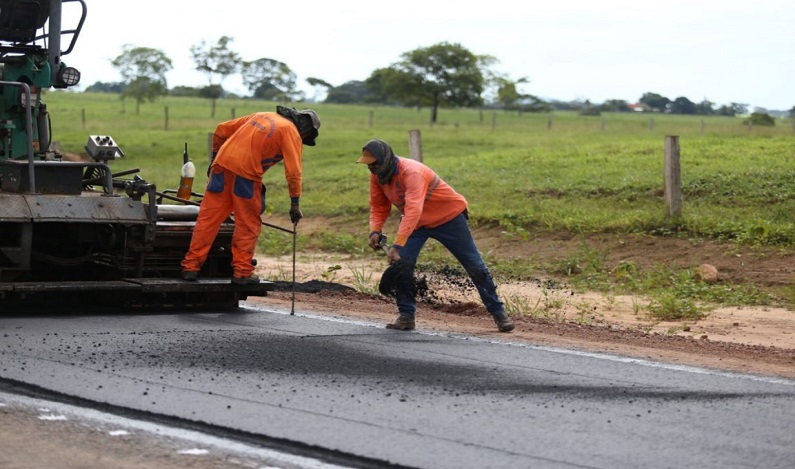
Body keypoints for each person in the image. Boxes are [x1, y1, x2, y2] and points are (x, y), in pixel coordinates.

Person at [356, 138, 514, 333]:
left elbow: (413, 209)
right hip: (417, 224)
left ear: (386, 158)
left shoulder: (411, 172)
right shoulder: (378, 177)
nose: (373, 169)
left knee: (474, 265)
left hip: (449, 218)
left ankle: (499, 314)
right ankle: (406, 316)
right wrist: (375, 230)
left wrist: (397, 245)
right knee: (401, 266)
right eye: (369, 165)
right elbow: (379, 206)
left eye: (375, 164)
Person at [180, 106, 320, 285]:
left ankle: (190, 267)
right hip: (245, 176)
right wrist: (295, 203)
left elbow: (221, 129)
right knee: (247, 224)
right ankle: (242, 272)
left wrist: (214, 158)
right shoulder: (290, 131)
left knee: (207, 220)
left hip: (220, 167)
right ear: (306, 129)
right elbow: (293, 172)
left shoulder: (262, 115)